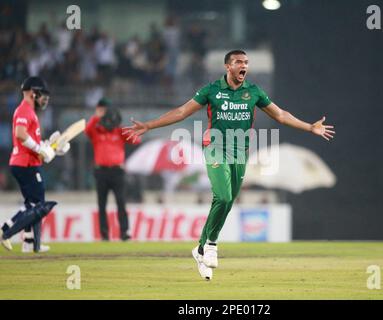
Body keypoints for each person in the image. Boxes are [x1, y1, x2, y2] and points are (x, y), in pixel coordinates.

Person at [123, 50, 336, 280]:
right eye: (238, 62)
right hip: (215, 149)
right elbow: (182, 111)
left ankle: (201, 249)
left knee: (226, 202)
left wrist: (310, 127)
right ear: (228, 67)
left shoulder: (253, 92)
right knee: (223, 197)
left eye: (246, 62)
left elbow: (281, 115)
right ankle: (212, 245)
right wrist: (150, 125)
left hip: (239, 153)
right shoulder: (211, 90)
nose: (243, 66)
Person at [0, 76, 70, 252]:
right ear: (33, 93)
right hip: (25, 164)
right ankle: (5, 232)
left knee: (32, 204)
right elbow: (20, 134)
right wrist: (41, 149)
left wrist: (51, 147)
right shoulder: (25, 109)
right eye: (42, 95)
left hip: (25, 162)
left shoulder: (29, 111)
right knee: (38, 206)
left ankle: (30, 243)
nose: (44, 100)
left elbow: (33, 143)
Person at [85, 98, 141, 241]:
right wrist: (96, 116)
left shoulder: (118, 131)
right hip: (101, 172)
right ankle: (104, 235)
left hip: (117, 172)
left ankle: (124, 232)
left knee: (121, 202)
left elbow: (136, 140)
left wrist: (121, 126)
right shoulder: (96, 130)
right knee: (101, 204)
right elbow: (87, 131)